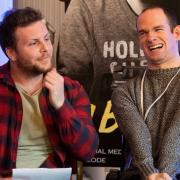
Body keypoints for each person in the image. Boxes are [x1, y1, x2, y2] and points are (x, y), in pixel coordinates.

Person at [0, 7, 99, 179]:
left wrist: (61, 105)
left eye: (47, 39)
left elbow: (87, 152)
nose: (45, 48)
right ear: (11, 53)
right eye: (34, 43)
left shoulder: (71, 89)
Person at [112, 5, 180, 180]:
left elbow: (176, 134)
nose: (151, 38)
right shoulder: (124, 92)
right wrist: (151, 174)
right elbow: (138, 138)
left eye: (158, 29)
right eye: (143, 33)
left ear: (177, 33)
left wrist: (166, 174)